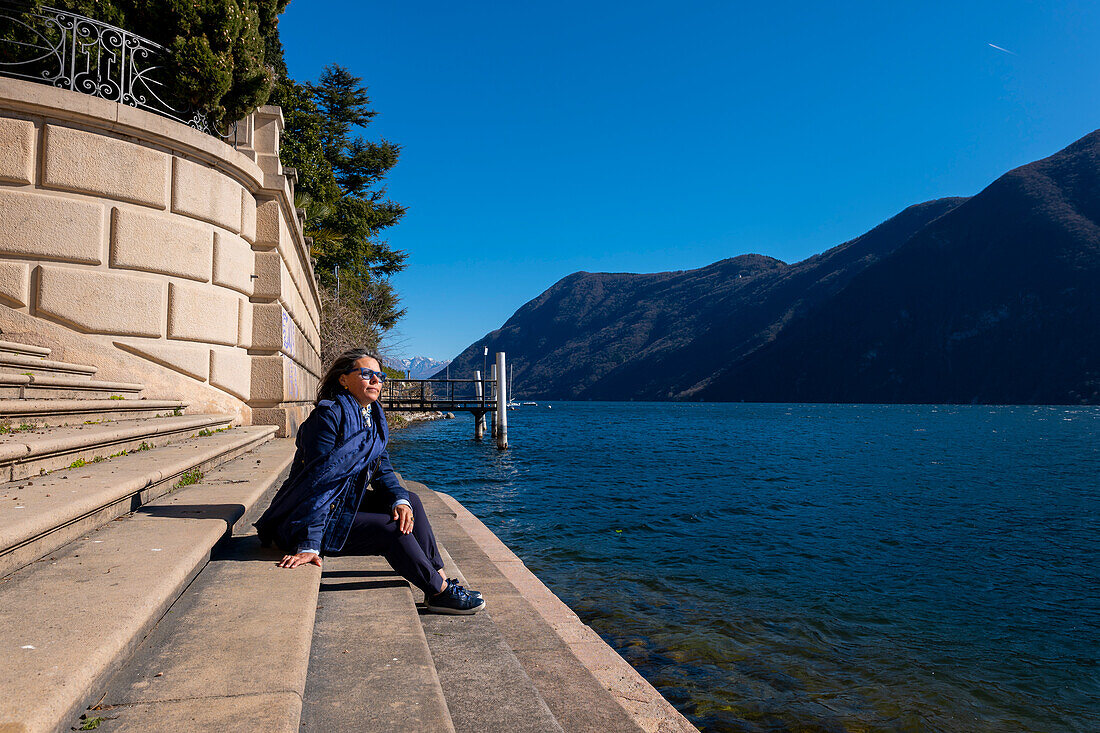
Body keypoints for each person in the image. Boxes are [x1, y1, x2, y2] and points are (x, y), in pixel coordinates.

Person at [255, 347, 485, 614]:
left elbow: (382, 467)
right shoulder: (327, 417)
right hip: (305, 519)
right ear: (344, 379)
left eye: (380, 376)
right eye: (367, 374)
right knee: (390, 530)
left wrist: (399, 499)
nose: (376, 381)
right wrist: (309, 542)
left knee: (411, 501)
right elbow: (318, 482)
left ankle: (440, 577)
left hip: (338, 505)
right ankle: (438, 592)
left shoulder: (373, 416)